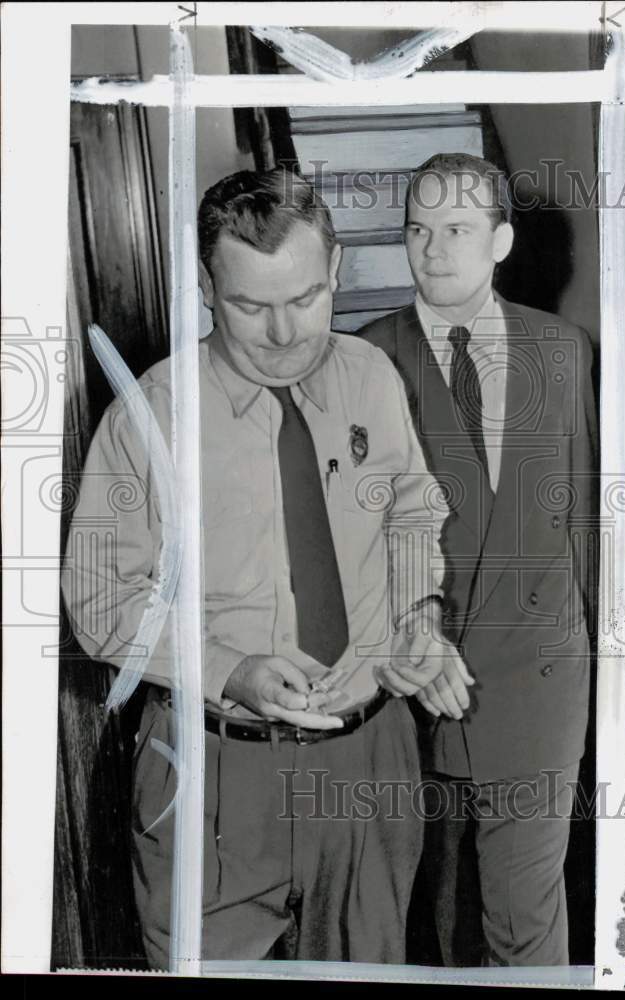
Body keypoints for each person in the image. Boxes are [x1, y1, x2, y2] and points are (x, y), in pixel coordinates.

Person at [62, 166, 466, 967]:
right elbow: (98, 597)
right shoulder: (149, 416)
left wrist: (418, 615)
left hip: (370, 763)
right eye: (251, 306)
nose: (286, 334)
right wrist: (227, 668)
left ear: (338, 268)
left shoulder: (370, 378)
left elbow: (413, 510)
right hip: (216, 773)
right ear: (207, 288)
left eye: (306, 298)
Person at [360, 152, 600, 967]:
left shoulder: (563, 350)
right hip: (410, 680)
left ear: (500, 240)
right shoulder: (365, 356)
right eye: (417, 231)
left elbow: (585, 521)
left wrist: (593, 664)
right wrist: (401, 640)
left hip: (536, 681)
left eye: (457, 230)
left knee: (526, 921)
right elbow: (347, 538)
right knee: (418, 914)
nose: (433, 251)